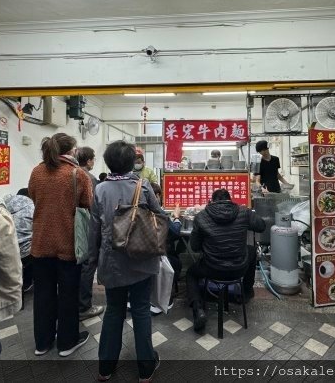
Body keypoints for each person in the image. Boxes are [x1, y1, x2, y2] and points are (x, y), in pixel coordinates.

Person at [89, 140, 161, 382]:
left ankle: (105, 368)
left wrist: (92, 260)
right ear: (133, 162)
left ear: (109, 163)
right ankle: (145, 368)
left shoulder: (100, 189)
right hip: (142, 259)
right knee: (141, 311)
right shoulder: (144, 186)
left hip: (112, 262)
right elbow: (158, 217)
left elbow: (94, 229)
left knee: (113, 311)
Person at [28, 133, 93, 357]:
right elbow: (88, 205)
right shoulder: (77, 174)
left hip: (40, 243)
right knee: (68, 295)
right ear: (72, 150)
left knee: (43, 295)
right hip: (68, 244)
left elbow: (34, 198)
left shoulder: (37, 172)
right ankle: (67, 343)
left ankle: (42, 343)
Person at [186, 188, 265, 331]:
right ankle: (246, 292)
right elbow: (261, 226)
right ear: (230, 200)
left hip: (212, 269)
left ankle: (198, 310)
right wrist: (248, 216)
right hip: (238, 268)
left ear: (211, 201)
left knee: (191, 273)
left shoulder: (201, 217)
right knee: (252, 251)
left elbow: (195, 246)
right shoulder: (243, 212)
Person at [75, 146, 104, 319]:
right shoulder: (90, 178)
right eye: (93, 158)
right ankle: (84, 306)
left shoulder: (70, 173)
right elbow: (95, 206)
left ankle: (75, 302)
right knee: (87, 265)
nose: (94, 161)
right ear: (89, 160)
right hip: (87, 226)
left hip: (72, 227)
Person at [149, 182, 182, 315]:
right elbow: (174, 233)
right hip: (159, 256)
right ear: (156, 196)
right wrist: (176, 218)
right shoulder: (158, 211)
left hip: (139, 256)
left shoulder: (137, 208)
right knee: (176, 262)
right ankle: (164, 300)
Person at [4, 188, 35, 291]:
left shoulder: (3, 205)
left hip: (5, 250)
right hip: (25, 255)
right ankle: (27, 282)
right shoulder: (32, 208)